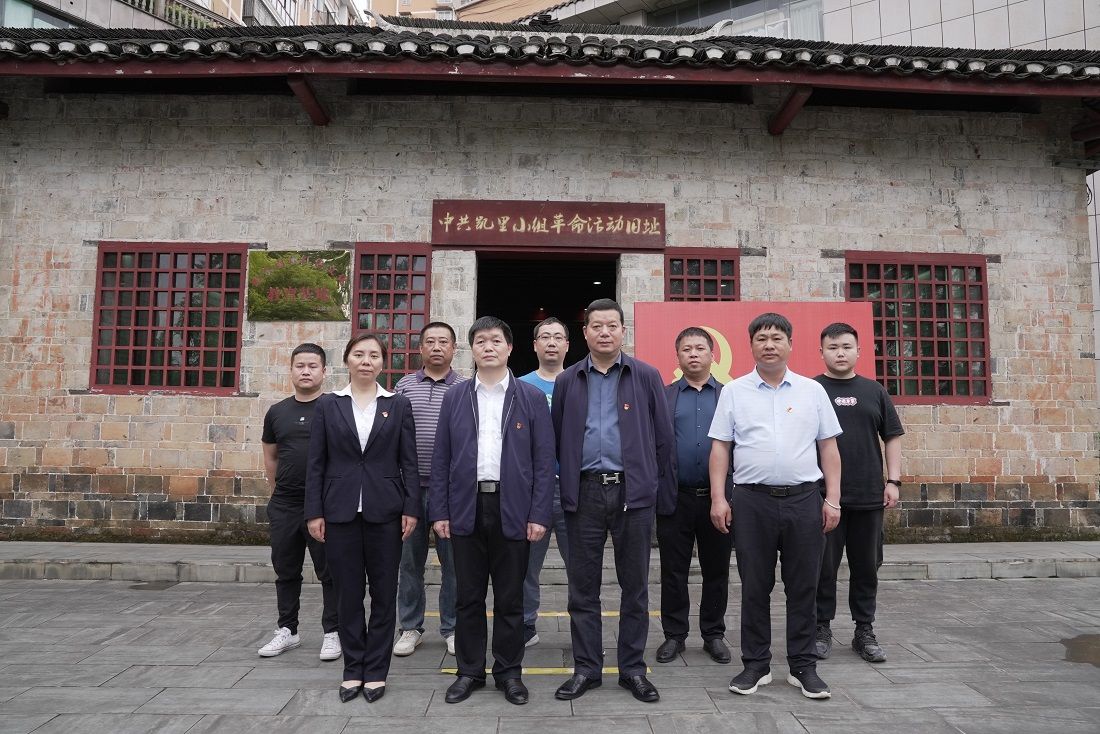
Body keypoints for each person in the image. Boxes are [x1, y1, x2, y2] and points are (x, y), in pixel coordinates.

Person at [708, 312, 842, 700]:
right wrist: (719, 497)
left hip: (804, 500)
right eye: (762, 338)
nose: (769, 345)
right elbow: (721, 448)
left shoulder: (811, 391)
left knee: (804, 586)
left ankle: (803, 666)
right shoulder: (734, 392)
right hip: (752, 502)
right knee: (754, 586)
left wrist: (832, 499)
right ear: (751, 345)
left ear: (790, 344)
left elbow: (829, 448)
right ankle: (756, 664)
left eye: (777, 338)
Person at [551, 298, 675, 704]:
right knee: (582, 589)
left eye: (612, 326)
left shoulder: (646, 375)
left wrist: (656, 491)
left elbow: (663, 439)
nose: (604, 332)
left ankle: (632, 669)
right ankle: (586, 668)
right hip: (584, 491)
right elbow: (558, 436)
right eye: (596, 326)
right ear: (585, 332)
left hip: (632, 492)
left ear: (623, 331)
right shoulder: (568, 380)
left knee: (634, 587)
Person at [429, 316, 556, 705]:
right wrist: (439, 511)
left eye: (496, 340)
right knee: (467, 596)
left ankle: (509, 672)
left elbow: (543, 462)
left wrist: (539, 514)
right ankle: (469, 671)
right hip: (466, 506)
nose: (488, 346)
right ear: (472, 349)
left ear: (509, 348)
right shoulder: (456, 396)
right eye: (481, 341)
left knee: (510, 597)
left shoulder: (529, 397)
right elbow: (441, 458)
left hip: (513, 507)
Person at [305, 333, 420, 703]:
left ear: (383, 363)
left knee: (384, 594)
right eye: (359, 354)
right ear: (347, 360)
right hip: (339, 512)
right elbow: (316, 463)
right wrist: (314, 512)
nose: (366, 361)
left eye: (373, 355)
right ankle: (353, 668)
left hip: (386, 512)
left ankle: (377, 671)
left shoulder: (397, 404)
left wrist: (411, 507)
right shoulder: (329, 404)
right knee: (348, 594)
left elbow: (409, 462)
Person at [813, 322, 904, 664]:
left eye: (846, 347)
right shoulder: (811, 390)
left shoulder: (874, 391)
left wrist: (893, 481)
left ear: (858, 351)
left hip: (868, 496)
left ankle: (864, 630)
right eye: (833, 347)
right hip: (823, 497)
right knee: (822, 567)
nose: (840, 353)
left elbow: (892, 436)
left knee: (866, 566)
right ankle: (820, 628)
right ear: (821, 352)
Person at [655, 327, 734, 665]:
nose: (693, 354)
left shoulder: (730, 395)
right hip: (675, 497)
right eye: (686, 349)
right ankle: (674, 635)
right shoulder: (664, 396)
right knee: (673, 571)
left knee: (717, 570)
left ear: (712, 355)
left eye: (700, 348)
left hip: (719, 499)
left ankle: (713, 634)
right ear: (677, 356)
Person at [258, 343, 340, 662]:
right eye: (300, 366)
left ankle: (333, 632)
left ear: (324, 371)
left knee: (329, 572)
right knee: (286, 570)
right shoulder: (277, 412)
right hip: (285, 504)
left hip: (324, 505)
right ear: (291, 370)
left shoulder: (335, 407)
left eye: (312, 366)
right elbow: (271, 456)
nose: (306, 371)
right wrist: (278, 491)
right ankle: (287, 630)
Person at [394, 322, 465, 657]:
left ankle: (452, 627)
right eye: (430, 342)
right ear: (420, 348)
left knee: (455, 564)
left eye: (443, 342)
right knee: (409, 563)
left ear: (454, 349)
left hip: (451, 491)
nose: (437, 347)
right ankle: (410, 627)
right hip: (410, 489)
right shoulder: (404, 386)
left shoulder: (466, 387)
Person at [518, 316, 571, 648]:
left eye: (558, 337)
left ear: (567, 344)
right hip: (531, 490)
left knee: (580, 565)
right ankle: (525, 624)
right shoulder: (519, 386)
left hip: (572, 489)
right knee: (525, 565)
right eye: (545, 337)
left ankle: (583, 624)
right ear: (535, 345)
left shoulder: (580, 382)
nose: (552, 342)